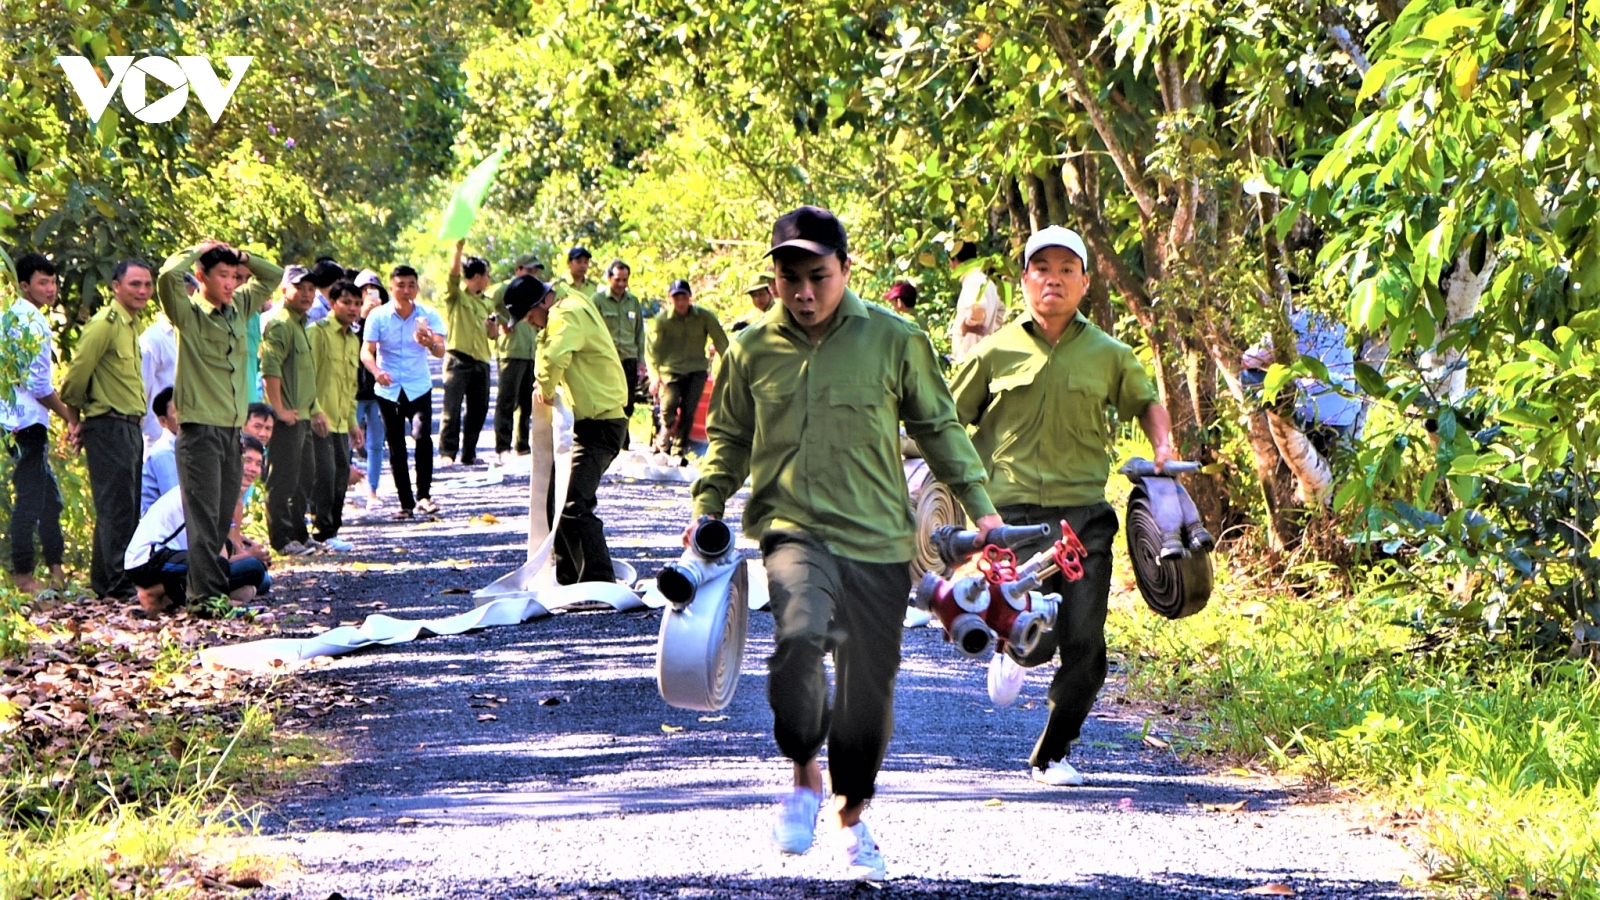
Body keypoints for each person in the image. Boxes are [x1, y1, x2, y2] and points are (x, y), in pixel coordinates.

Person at [688, 206, 1002, 881]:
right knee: (799, 640)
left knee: (869, 690)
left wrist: (982, 509)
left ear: (845, 270)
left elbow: (940, 427)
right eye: (791, 277)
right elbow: (729, 445)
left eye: (818, 277)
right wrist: (706, 506)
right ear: (774, 277)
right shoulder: (749, 350)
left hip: (881, 539)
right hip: (794, 530)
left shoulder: (894, 338)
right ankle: (803, 769)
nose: (804, 293)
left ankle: (851, 815)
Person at [950, 225, 1174, 788]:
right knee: (1036, 636)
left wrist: (1163, 448)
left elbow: (1147, 404)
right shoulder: (994, 352)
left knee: (1085, 640)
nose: (1053, 279)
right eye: (1041, 268)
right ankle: (1011, 646)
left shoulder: (1109, 354)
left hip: (1083, 518)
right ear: (1024, 279)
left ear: (1085, 281)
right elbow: (947, 422)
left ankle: (1053, 753)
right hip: (1012, 522)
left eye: (1065, 269)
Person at [157, 240, 283, 607]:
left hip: (232, 432)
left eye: (234, 276)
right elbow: (166, 276)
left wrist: (241, 256)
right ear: (201, 277)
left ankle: (212, 594)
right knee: (204, 520)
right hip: (199, 432)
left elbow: (271, 275)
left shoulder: (239, 308)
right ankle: (204, 599)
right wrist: (198, 249)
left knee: (222, 518)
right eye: (222, 276)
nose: (231, 283)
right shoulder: (188, 313)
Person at [505, 275, 627, 585]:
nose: (532, 325)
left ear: (543, 302)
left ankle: (599, 584)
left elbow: (556, 354)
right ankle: (570, 580)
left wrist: (545, 387)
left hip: (603, 422)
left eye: (531, 317)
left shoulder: (565, 314)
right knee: (556, 501)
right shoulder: (565, 311)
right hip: (588, 423)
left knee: (574, 501)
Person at [60, 258, 153, 600]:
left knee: (126, 505)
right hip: (108, 424)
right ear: (116, 286)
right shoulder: (105, 323)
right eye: (135, 284)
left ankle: (107, 580)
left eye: (147, 284)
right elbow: (77, 374)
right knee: (115, 506)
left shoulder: (130, 324)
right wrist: (73, 419)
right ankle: (116, 584)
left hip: (129, 426)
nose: (142, 291)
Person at [125, 435, 272, 616]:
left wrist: (248, 553)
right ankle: (155, 593)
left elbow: (224, 547)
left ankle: (176, 598)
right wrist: (250, 557)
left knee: (261, 580)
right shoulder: (212, 489)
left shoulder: (230, 495)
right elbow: (218, 560)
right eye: (247, 460)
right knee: (252, 568)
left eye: (258, 464)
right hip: (148, 560)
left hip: (181, 556)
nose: (252, 469)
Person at [2, 253, 78, 596]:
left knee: (50, 498)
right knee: (31, 499)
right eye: (43, 282)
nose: (51, 289)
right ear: (24, 285)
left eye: (53, 282)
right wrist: (69, 414)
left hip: (13, 418)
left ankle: (57, 570)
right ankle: (22, 576)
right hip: (26, 422)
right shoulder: (31, 321)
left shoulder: (10, 316)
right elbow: (39, 386)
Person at [361, 264, 447, 519]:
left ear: (417, 287)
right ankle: (405, 504)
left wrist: (430, 342)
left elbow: (441, 350)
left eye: (411, 285)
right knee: (396, 445)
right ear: (391, 288)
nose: (406, 290)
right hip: (388, 388)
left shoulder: (428, 314)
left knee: (422, 436)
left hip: (418, 384)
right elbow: (366, 351)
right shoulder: (378, 316)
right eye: (400, 285)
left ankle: (424, 496)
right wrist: (377, 372)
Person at [259, 264, 322, 555]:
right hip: (288, 418)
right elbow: (270, 369)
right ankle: (281, 540)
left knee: (304, 476)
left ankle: (299, 532)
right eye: (301, 287)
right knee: (283, 479)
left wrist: (316, 409)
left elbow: (304, 373)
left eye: (311, 288)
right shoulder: (281, 323)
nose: (308, 294)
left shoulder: (301, 324)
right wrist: (279, 410)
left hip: (305, 415)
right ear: (284, 289)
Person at [307, 281, 362, 552]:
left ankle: (333, 529)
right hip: (319, 419)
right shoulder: (317, 333)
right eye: (347, 302)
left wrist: (353, 422)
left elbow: (351, 384)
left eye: (357, 303)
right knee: (324, 475)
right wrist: (314, 409)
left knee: (341, 474)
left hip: (341, 420)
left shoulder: (353, 339)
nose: (353, 308)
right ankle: (322, 530)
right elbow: (306, 375)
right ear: (332, 303)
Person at [646, 279, 727, 459]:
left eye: (683, 297)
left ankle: (678, 449)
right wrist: (654, 376)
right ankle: (666, 428)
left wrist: (730, 365)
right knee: (669, 405)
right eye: (676, 298)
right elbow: (652, 351)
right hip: (670, 371)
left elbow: (722, 342)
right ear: (670, 299)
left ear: (690, 297)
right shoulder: (662, 321)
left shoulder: (704, 317)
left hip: (696, 370)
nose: (680, 302)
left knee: (689, 409)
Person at [438, 241, 496, 467]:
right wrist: (458, 250)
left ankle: (469, 453)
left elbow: (493, 335)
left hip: (481, 361)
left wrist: (493, 329)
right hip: (458, 359)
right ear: (478, 276)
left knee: (478, 409)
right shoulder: (456, 297)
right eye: (487, 275)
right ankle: (447, 452)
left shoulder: (487, 302)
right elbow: (452, 277)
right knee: (452, 408)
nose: (488, 279)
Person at [491, 254, 543, 464]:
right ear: (518, 269)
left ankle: (522, 444)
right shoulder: (503, 289)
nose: (533, 275)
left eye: (535, 271)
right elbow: (489, 310)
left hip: (531, 350)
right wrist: (503, 321)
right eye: (529, 270)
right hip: (511, 350)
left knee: (527, 402)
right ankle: (502, 446)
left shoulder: (536, 290)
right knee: (507, 400)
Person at [589, 260, 646, 440]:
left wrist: (641, 359)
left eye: (625, 280)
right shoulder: (597, 300)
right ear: (609, 278)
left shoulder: (633, 302)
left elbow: (639, 332)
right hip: (606, 358)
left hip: (629, 357)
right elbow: (591, 330)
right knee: (607, 399)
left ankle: (623, 435)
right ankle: (607, 435)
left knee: (628, 400)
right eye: (617, 280)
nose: (621, 284)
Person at [353, 272, 387, 508]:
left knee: (376, 443)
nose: (369, 296)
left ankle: (373, 490)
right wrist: (361, 317)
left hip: (378, 391)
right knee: (345, 442)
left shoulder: (386, 318)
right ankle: (343, 486)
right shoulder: (349, 320)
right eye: (364, 291)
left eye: (373, 291)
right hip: (353, 391)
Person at [949, 266, 1006, 365]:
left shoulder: (973, 280)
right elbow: (1001, 312)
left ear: (954, 261)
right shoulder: (988, 283)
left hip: (971, 356)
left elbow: (978, 308)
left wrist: (966, 326)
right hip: (986, 355)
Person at [139, 307, 177, 446]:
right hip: (158, 437)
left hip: (186, 436)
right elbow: (141, 391)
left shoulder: (193, 334)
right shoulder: (153, 339)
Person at [141, 387, 179, 514]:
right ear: (163, 421)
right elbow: (175, 504)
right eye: (176, 411)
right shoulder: (164, 453)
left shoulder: (181, 448)